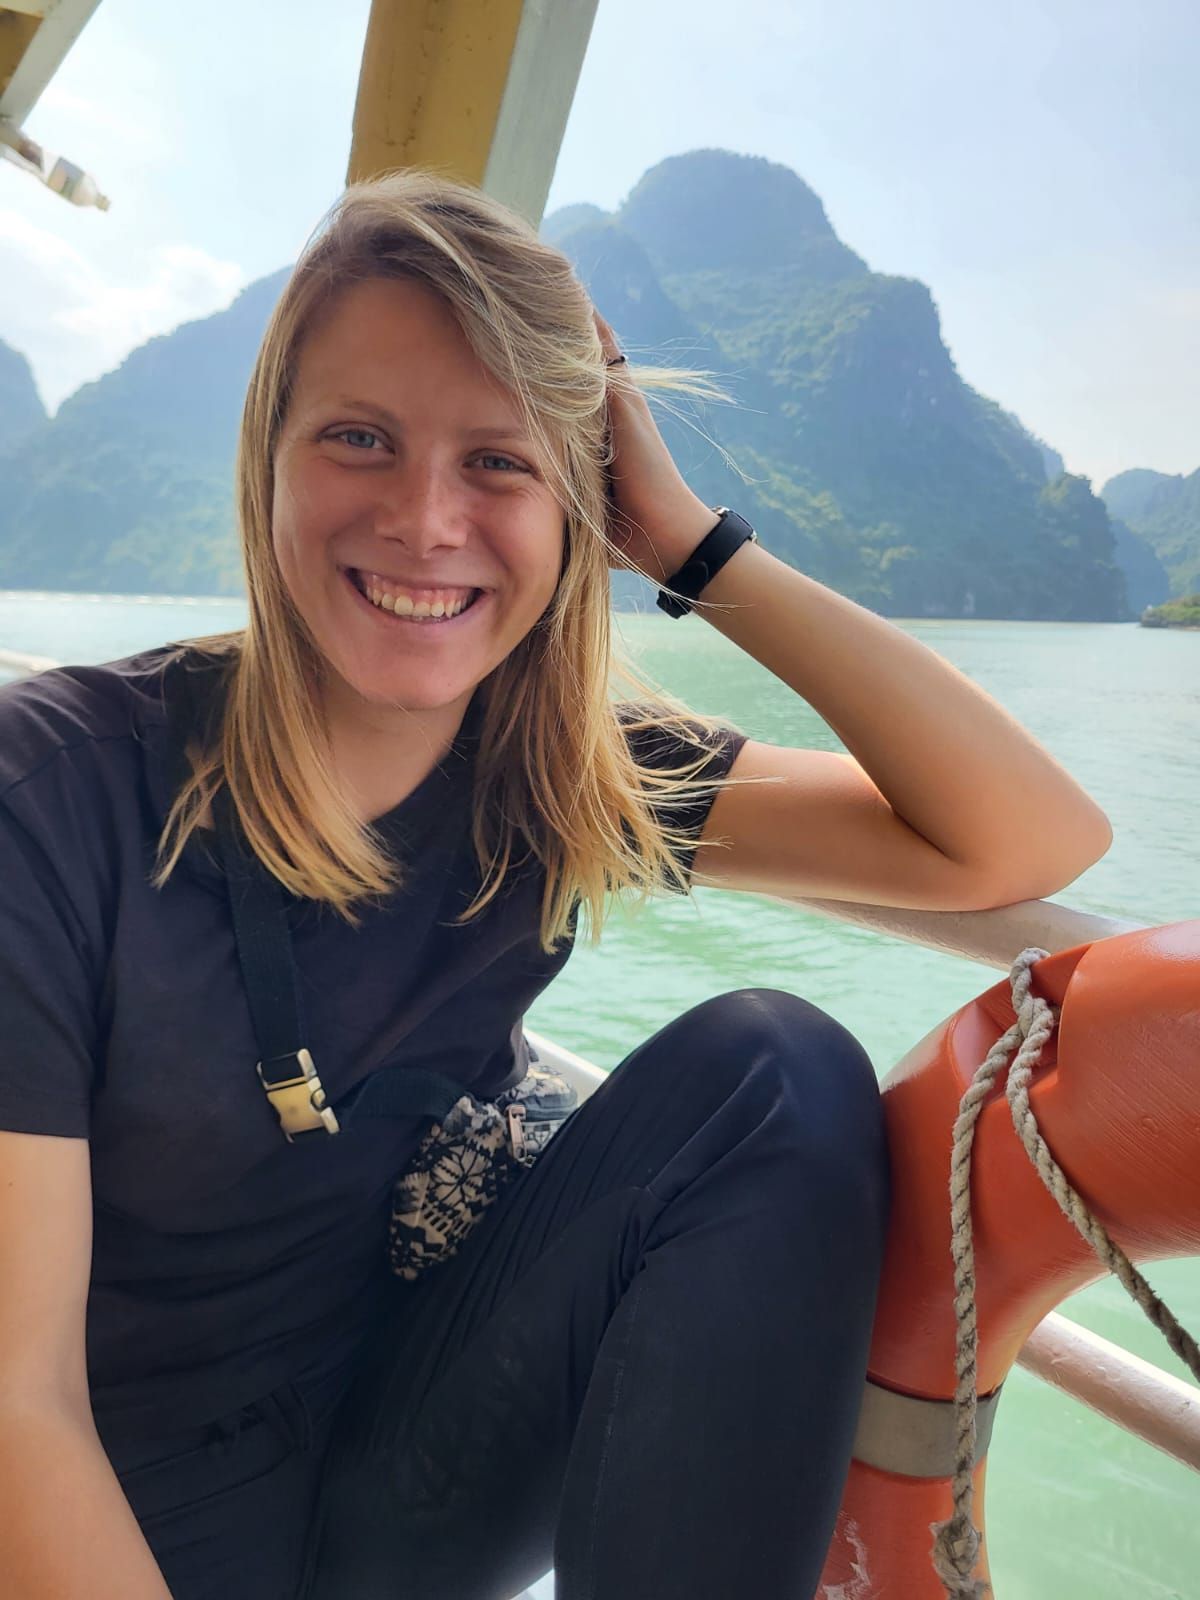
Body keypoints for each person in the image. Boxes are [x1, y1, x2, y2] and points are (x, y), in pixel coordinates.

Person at [0, 172, 1112, 1600]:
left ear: (578, 503)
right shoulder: (54, 798)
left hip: (388, 1469)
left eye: (499, 462)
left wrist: (690, 545)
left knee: (774, 1071)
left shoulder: (556, 775)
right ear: (266, 460)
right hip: (110, 1487)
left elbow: (1025, 836)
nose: (425, 519)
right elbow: (20, 1402)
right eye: (359, 438)